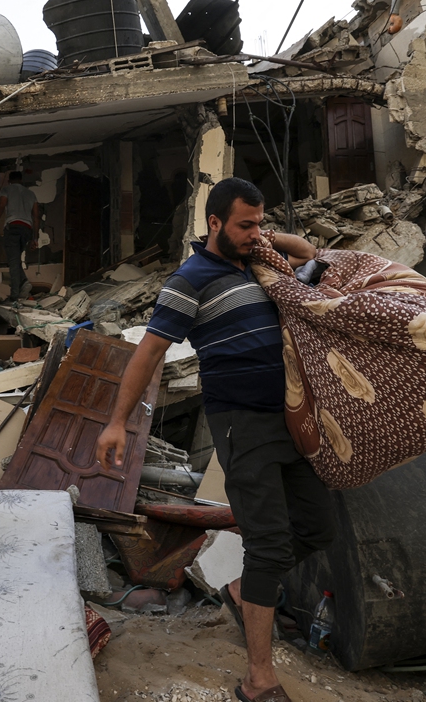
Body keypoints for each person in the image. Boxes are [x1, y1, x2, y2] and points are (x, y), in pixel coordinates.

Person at [95, 178, 333, 702]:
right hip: (240, 424)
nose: (255, 233)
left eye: (259, 223)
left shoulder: (258, 262)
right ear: (214, 223)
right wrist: (117, 421)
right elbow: (150, 352)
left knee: (318, 526)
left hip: (290, 421)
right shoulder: (192, 277)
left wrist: (286, 243)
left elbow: (317, 269)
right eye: (245, 225)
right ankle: (258, 679)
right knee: (269, 544)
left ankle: (243, 592)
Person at [0, 171, 42, 301]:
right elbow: (36, 217)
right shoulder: (31, 194)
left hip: (13, 227)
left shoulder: (6, 189)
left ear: (9, 180)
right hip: (27, 229)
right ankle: (25, 283)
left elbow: (0, 207)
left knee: (13, 261)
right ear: (21, 180)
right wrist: (35, 238)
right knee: (15, 260)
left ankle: (14, 296)